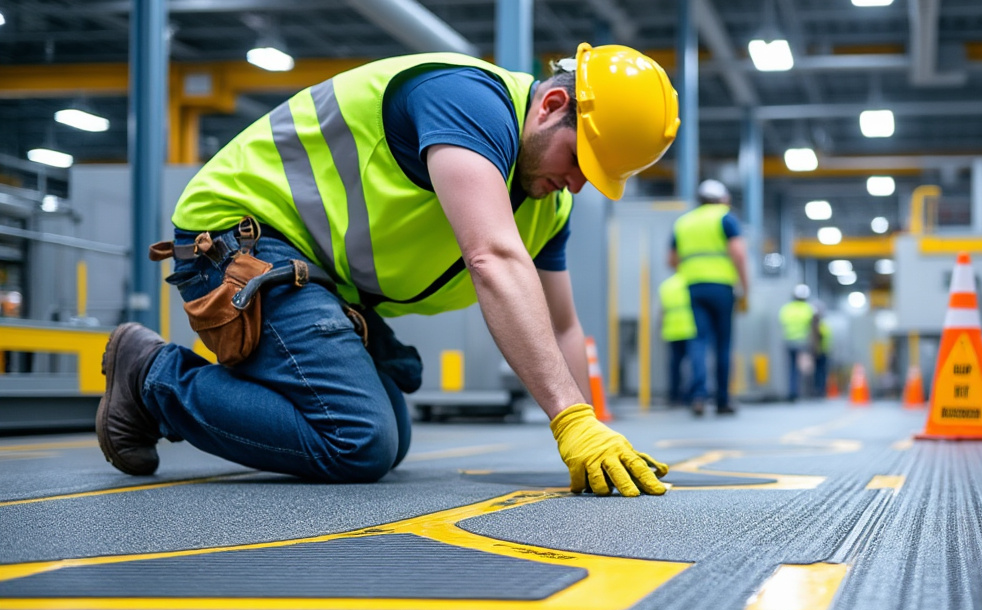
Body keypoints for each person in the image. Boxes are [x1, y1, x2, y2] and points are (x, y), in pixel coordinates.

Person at [95, 43, 680, 497]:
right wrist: (569, 421)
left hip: (315, 279)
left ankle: (192, 380)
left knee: (390, 433)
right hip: (241, 241)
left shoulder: (549, 206)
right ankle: (152, 377)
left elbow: (563, 325)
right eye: (581, 160)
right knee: (358, 439)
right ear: (552, 106)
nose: (579, 183)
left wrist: (598, 437)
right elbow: (490, 257)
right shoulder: (469, 101)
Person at [668, 179, 749, 417]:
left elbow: (671, 260)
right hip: (722, 288)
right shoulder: (725, 217)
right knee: (723, 344)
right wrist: (744, 287)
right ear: (722, 198)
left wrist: (692, 271)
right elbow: (739, 254)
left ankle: (699, 396)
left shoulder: (683, 222)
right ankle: (722, 400)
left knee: (699, 341)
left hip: (695, 287)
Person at [657, 272, 697, 407]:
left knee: (674, 365)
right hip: (690, 328)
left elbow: (662, 311)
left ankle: (674, 395)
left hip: (672, 330)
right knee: (693, 364)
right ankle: (691, 396)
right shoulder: (690, 282)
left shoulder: (666, 285)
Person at [778, 284, 815, 402]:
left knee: (791, 368)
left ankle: (792, 391)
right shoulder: (808, 309)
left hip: (789, 341)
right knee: (805, 368)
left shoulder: (786, 308)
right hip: (802, 343)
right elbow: (812, 326)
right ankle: (806, 392)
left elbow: (782, 323)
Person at [812, 311, 832, 398]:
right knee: (820, 372)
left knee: (820, 372)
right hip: (822, 352)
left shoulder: (818, 327)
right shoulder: (824, 326)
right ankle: (820, 390)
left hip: (820, 352)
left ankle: (820, 390)